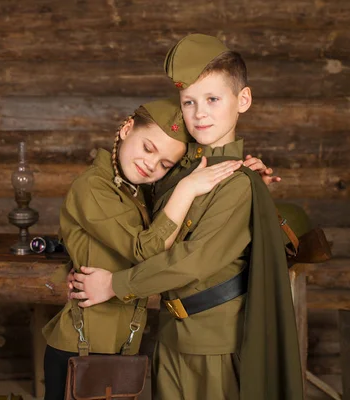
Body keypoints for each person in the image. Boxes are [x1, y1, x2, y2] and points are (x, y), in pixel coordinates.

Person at [70, 34, 303, 400]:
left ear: (243, 100)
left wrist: (114, 285)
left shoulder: (237, 183)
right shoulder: (177, 169)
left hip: (213, 341)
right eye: (189, 102)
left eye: (212, 99)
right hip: (170, 333)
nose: (200, 113)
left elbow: (192, 261)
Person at [41, 97, 272, 399]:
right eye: (148, 148)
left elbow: (180, 226)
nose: (151, 164)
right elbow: (145, 249)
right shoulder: (93, 187)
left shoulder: (137, 193)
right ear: (126, 129)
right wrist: (189, 187)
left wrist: (248, 178)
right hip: (82, 347)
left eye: (165, 164)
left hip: (120, 349)